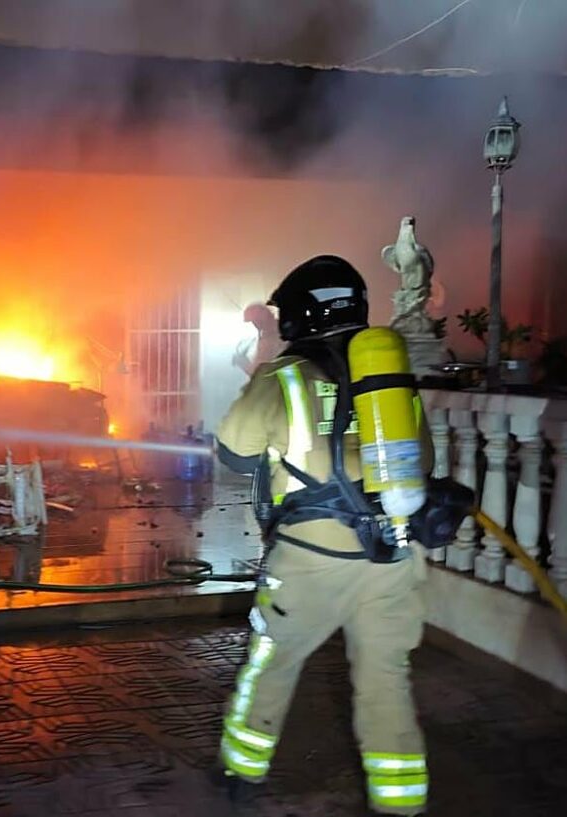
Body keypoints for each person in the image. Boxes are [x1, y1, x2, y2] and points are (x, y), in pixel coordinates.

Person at [215, 255, 432, 816]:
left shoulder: (281, 377)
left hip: (310, 560)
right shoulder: (391, 381)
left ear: (301, 315)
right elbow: (423, 461)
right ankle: (401, 802)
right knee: (386, 678)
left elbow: (234, 453)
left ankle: (242, 771)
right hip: (391, 556)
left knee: (272, 661)